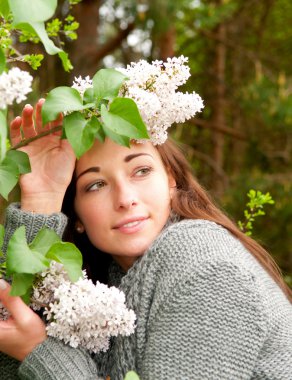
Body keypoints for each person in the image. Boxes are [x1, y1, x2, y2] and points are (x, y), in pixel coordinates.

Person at [0, 91, 292, 380]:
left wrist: (41, 354)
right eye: (96, 184)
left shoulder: (204, 264)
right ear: (76, 218)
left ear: (171, 180)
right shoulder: (107, 287)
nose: (126, 199)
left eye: (140, 170)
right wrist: (42, 197)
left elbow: (36, 352)